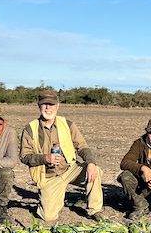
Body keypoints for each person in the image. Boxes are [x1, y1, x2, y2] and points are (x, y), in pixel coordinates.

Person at [19, 89, 103, 223]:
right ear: (39, 106)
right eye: (44, 104)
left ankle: (95, 210)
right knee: (48, 217)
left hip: (70, 169)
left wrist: (91, 162)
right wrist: (45, 158)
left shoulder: (67, 124)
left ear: (57, 106)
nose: (48, 108)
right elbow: (25, 157)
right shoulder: (30, 129)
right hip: (49, 177)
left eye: (51, 104)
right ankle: (56, 198)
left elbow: (82, 147)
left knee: (95, 171)